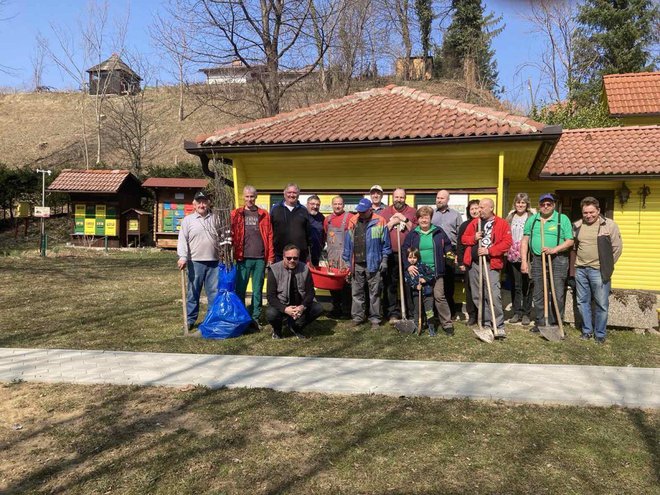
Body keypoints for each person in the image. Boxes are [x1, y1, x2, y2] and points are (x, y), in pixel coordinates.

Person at [571, 197, 623, 344]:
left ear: (598, 210)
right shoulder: (577, 225)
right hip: (581, 269)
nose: (589, 215)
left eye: (592, 212)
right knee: (582, 302)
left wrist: (607, 265)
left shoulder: (609, 226)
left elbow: (617, 248)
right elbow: (574, 247)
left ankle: (600, 334)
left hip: (599, 271)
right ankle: (587, 331)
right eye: (585, 212)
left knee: (601, 303)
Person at [521, 193, 574, 333]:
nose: (545, 206)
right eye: (543, 204)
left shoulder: (562, 219)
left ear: (553, 205)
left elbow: (570, 240)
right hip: (538, 259)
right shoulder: (533, 220)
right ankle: (541, 322)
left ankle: (556, 323)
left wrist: (554, 249)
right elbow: (525, 241)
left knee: (557, 292)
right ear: (539, 206)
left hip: (558, 259)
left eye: (548, 204)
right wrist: (524, 262)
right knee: (538, 292)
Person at [461, 198, 512, 338]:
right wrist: (474, 237)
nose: (479, 210)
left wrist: (489, 251)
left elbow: (507, 243)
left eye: (482, 207)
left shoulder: (501, 223)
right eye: (478, 207)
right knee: (478, 295)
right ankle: (486, 323)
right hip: (475, 264)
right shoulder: (474, 223)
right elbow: (464, 239)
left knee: (494, 295)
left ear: (491, 208)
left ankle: (499, 325)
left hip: (491, 264)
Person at [402, 206, 455, 335]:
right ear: (417, 219)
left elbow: (447, 245)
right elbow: (404, 250)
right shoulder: (413, 234)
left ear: (431, 218)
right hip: (419, 272)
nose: (424, 220)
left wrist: (449, 255)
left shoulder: (438, 231)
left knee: (439, 297)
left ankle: (447, 324)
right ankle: (421, 322)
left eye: (426, 217)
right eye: (421, 217)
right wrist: (408, 266)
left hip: (436, 271)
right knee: (420, 298)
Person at [342, 198, 391, 329]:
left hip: (374, 262)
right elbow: (347, 244)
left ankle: (375, 319)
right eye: (359, 211)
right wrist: (347, 262)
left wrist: (385, 260)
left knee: (374, 292)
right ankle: (358, 317)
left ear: (370, 210)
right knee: (357, 292)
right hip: (356, 263)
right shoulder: (353, 221)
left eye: (363, 212)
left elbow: (386, 244)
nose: (360, 214)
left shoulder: (380, 221)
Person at [230, 185, 275, 325]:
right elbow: (230, 234)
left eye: (252, 196)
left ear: (256, 197)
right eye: (247, 196)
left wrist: (270, 257)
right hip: (242, 258)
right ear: (243, 197)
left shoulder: (263, 214)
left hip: (260, 259)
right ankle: (240, 315)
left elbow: (269, 236)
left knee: (257, 290)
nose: (249, 199)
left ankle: (256, 316)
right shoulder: (236, 214)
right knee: (240, 289)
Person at [177, 191, 219, 331]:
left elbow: (223, 238)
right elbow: (182, 240)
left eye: (204, 201)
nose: (202, 204)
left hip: (214, 262)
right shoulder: (188, 221)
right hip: (195, 262)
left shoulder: (215, 219)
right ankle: (189, 320)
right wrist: (183, 257)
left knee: (213, 293)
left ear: (208, 203)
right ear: (194, 204)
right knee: (193, 292)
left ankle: (211, 320)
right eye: (199, 202)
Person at [265, 244, 323, 339]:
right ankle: (277, 330)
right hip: (282, 305)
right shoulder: (274, 270)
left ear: (299, 257)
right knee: (271, 313)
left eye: (295, 258)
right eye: (289, 258)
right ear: (283, 257)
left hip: (299, 306)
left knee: (318, 308)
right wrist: (285, 309)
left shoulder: (305, 269)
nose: (292, 260)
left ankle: (296, 327)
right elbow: (270, 296)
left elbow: (310, 292)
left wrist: (302, 306)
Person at [381, 188, 418, 322]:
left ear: (405, 198)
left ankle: (409, 312)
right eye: (396, 197)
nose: (399, 200)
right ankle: (393, 313)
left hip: (409, 254)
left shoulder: (412, 212)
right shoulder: (385, 213)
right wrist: (391, 223)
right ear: (392, 197)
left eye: (401, 197)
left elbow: (417, 230)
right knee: (390, 284)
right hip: (391, 254)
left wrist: (404, 219)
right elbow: (380, 231)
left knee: (409, 283)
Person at [431, 189, 463, 318]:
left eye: (442, 198)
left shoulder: (455, 215)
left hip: (451, 250)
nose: (439, 200)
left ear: (448, 200)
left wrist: (458, 254)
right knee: (435, 278)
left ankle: (450, 311)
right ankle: (434, 310)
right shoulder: (431, 214)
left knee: (449, 279)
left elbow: (460, 235)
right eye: (438, 198)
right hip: (435, 250)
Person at [505, 193, 534, 325]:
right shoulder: (510, 217)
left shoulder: (532, 217)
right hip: (512, 254)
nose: (520, 205)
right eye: (518, 202)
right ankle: (517, 312)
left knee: (527, 283)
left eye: (523, 202)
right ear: (515, 204)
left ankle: (527, 313)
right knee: (516, 285)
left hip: (527, 254)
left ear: (527, 204)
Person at [323, 196, 352, 318]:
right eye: (335, 204)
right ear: (332, 205)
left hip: (345, 256)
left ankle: (346, 310)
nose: (337, 206)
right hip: (332, 256)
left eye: (340, 204)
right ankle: (336, 308)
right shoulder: (327, 220)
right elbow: (326, 236)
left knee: (346, 283)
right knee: (332, 283)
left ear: (343, 205)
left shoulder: (349, 217)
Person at [270, 183, 312, 263]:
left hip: (300, 256)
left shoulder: (304, 211)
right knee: (280, 275)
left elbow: (308, 234)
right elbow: (269, 232)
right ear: (284, 193)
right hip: (279, 255)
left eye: (294, 193)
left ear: (298, 194)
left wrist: (308, 254)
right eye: (289, 192)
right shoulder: (275, 210)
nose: (292, 195)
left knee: (299, 276)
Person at [456, 199, 480, 326]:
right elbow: (460, 244)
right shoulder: (465, 225)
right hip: (468, 262)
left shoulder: (485, 223)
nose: (475, 211)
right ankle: (472, 315)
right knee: (470, 288)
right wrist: (461, 262)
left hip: (483, 262)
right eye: (472, 209)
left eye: (477, 208)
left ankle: (483, 314)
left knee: (482, 289)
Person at [404, 247, 437, 336]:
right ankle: (417, 326)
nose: (412, 260)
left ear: (418, 257)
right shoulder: (408, 271)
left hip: (427, 293)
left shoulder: (423, 266)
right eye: (410, 258)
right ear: (407, 258)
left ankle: (431, 328)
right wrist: (415, 286)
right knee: (417, 311)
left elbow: (432, 274)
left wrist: (425, 279)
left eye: (414, 258)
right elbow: (408, 281)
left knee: (429, 311)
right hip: (416, 294)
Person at [306, 195, 325, 267]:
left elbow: (324, 233)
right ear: (307, 204)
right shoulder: (302, 215)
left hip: (316, 252)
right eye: (312, 204)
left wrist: (322, 245)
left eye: (317, 205)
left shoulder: (321, 217)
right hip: (304, 252)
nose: (315, 206)